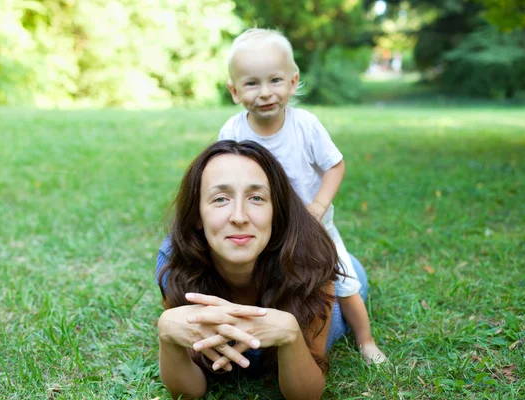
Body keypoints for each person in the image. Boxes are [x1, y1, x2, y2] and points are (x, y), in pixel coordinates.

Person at [219, 28, 387, 364]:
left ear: (293, 82)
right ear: (235, 91)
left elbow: (335, 166)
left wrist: (319, 206)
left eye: (275, 80)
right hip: (263, 231)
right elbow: (220, 176)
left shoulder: (305, 126)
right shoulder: (233, 131)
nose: (265, 93)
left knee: (344, 282)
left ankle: (365, 340)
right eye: (252, 83)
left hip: (314, 229)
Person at [156, 140, 369, 399]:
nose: (239, 216)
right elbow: (189, 393)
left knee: (351, 274)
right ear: (197, 214)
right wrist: (166, 332)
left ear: (275, 210)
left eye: (256, 198)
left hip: (329, 290)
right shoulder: (177, 258)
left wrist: (290, 333)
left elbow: (305, 395)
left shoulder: (312, 262)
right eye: (220, 199)